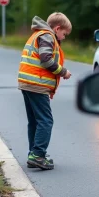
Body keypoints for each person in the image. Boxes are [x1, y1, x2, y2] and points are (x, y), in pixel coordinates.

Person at [18, 12, 72, 170]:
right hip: (37, 83)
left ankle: (33, 153)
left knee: (34, 121)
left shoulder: (38, 34)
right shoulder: (48, 36)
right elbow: (46, 59)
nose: (64, 37)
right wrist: (63, 72)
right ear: (57, 28)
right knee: (46, 121)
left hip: (27, 83)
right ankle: (38, 155)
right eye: (64, 34)